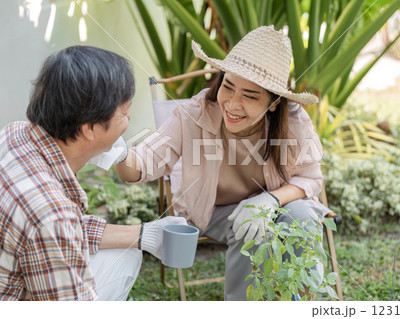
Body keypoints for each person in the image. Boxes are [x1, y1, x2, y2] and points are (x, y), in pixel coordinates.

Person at [115, 26, 329, 300]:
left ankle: (303, 300)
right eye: (228, 86)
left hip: (275, 203)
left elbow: (311, 180)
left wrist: (269, 201)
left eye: (250, 96)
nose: (233, 104)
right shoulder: (193, 114)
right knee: (249, 227)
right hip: (213, 210)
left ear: (274, 102)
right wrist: (117, 149)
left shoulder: (293, 121)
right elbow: (141, 165)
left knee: (302, 216)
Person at [0, 46, 186, 301]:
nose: (129, 117)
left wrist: (143, 234)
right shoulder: (51, 215)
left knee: (125, 252)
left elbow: (60, 230)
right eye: (124, 110)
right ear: (89, 128)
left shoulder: (13, 134)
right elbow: (54, 226)